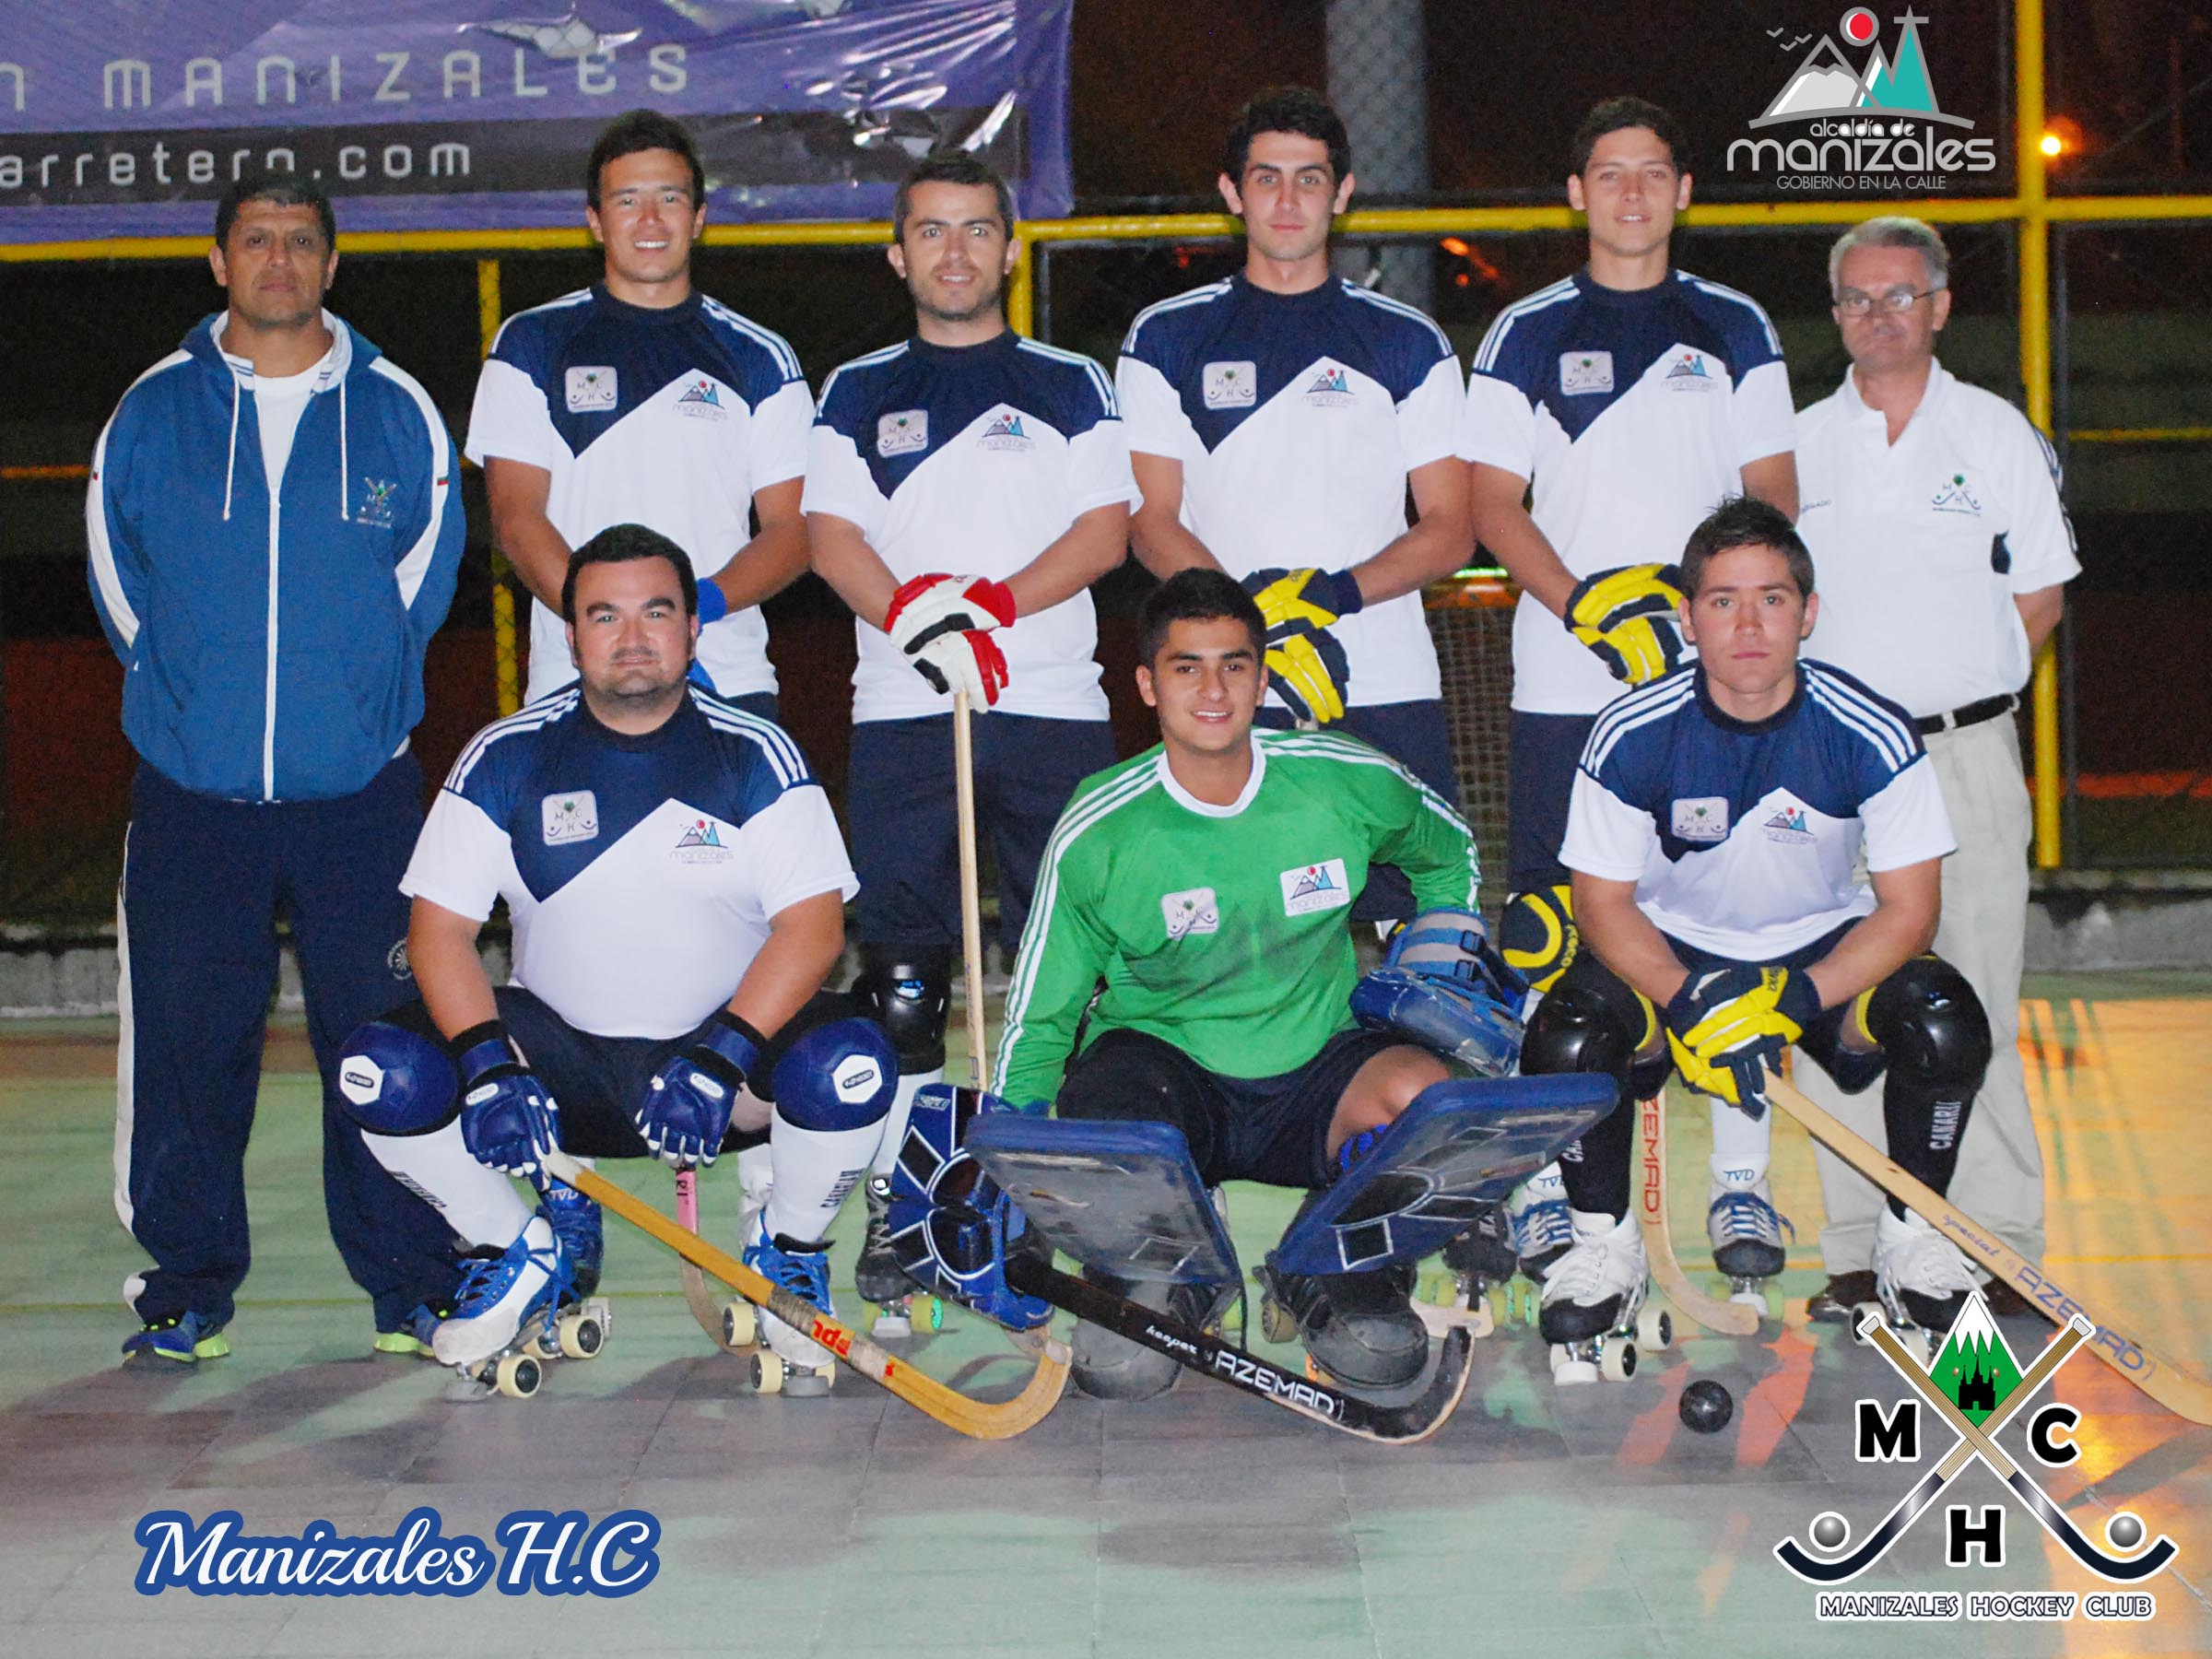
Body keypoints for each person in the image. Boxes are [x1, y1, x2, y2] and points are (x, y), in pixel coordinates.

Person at [334, 524, 892, 1388]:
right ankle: (518, 1250)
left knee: (853, 1064)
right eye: (605, 616)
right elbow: (438, 933)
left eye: (656, 613)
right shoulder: (507, 754)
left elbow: (814, 929)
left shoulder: (753, 752)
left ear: (693, 630)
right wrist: (487, 1066)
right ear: (571, 636)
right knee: (379, 1072)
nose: (632, 637)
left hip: (722, 1077)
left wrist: (723, 1056)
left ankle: (788, 1250)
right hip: (560, 1078)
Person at [86, 171, 466, 1361]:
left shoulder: (398, 409)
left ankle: (410, 1282)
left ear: (331, 264)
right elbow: (117, 578)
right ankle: (188, 1284)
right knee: (189, 1044)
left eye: (302, 241)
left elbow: (423, 584)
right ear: (219, 261)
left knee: (385, 1041)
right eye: (257, 240)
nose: (280, 261)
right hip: (194, 799)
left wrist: (352, 709)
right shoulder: (152, 410)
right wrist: (190, 703)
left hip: (359, 798)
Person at [1524, 498, 1991, 1378]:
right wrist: (1688, 999)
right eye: (1723, 601)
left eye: (1772, 599)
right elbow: (1602, 906)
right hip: (1674, 950)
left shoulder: (1870, 728)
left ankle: (1914, 1243)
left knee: (1944, 1022)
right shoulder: (1631, 731)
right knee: (1568, 1033)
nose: (1747, 625)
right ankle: (1604, 1249)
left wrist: (1797, 998)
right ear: (1688, 617)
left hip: (1816, 950)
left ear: (1807, 613)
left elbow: (1909, 911)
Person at [1456, 96, 1799, 1291]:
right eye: (1610, 173)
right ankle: (1550, 1192)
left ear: (1685, 189)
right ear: (1576, 192)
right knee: (1552, 936)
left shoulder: (1734, 323)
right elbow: (1490, 504)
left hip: (1712, 691)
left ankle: (1741, 1180)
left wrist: (1709, 618)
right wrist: (1588, 607)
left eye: (1655, 172)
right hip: (1569, 687)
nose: (1634, 193)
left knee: (1733, 920)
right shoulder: (1526, 330)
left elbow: (1773, 495)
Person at [994, 569, 1484, 1397]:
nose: (1213, 689)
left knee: (1432, 1099)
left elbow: (1450, 854)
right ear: (1148, 685)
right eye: (1186, 667)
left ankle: (1328, 1266)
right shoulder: (1100, 826)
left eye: (1234, 664)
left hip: (1317, 1065)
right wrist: (1012, 1158)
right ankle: (1179, 1274)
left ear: (1262, 679)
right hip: (1165, 1070)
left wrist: (1441, 956)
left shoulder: (1343, 780)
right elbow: (1041, 1017)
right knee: (1125, 1358)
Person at [803, 150, 1137, 1318]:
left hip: (1049, 708)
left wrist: (986, 608)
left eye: (978, 230)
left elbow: (1104, 532)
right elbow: (831, 537)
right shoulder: (855, 389)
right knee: (904, 982)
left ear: (1010, 248)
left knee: (1066, 977)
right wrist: (917, 622)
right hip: (906, 709)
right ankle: (910, 1202)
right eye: (932, 232)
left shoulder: (1070, 381)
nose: (955, 252)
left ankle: (1052, 1208)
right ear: (898, 254)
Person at [1793, 218, 2079, 1324]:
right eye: (1858, 298)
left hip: (1962, 755)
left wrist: (1964, 690)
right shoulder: (1799, 445)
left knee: (1977, 998)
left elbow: (2040, 593)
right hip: (1829, 766)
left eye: (1900, 295)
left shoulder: (1994, 432)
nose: (1879, 315)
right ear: (1836, 314)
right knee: (1838, 1008)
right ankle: (1859, 1252)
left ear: (1942, 306)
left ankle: (1996, 1244)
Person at [1114, 86, 1473, 924]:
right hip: (1230, 678)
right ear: (1231, 192)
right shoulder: (1166, 336)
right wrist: (1250, 618)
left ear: (1342, 194)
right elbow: (1150, 522)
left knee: (1420, 924)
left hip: (1382, 672)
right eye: (1266, 178)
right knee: (1239, 923)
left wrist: (1329, 596)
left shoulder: (1407, 340)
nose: (1287, 200)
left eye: (1309, 179)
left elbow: (1452, 528)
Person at [466, 109, 811, 713]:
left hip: (725, 677)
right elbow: (516, 519)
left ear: (698, 218)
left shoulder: (759, 355)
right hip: (574, 682)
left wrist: (692, 612)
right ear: (595, 221)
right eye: (627, 201)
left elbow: (794, 532)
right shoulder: (532, 343)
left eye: (670, 198)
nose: (650, 219)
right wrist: (607, 626)